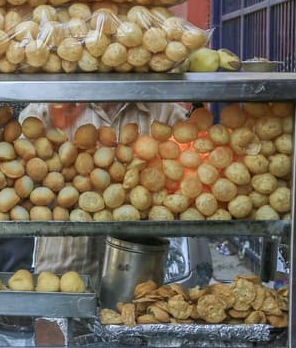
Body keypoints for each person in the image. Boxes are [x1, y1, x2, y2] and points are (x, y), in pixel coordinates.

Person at [18, 102, 187, 286]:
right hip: (62, 273)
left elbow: (186, 190)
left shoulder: (169, 115)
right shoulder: (43, 114)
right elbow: (21, 186)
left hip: (139, 275)